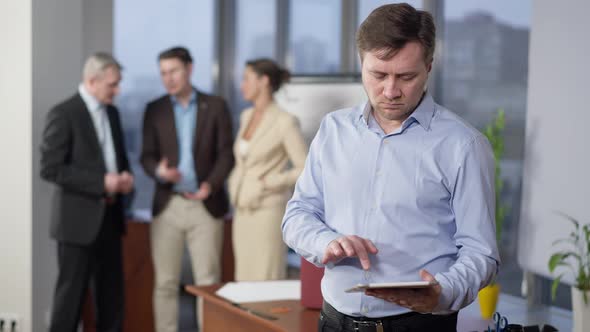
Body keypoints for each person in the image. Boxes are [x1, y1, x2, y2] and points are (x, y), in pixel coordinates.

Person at [282, 3, 500, 332]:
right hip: (333, 322)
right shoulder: (333, 130)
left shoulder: (464, 146)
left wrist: (444, 291)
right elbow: (297, 215)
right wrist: (325, 242)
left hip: (418, 326)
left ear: (428, 67)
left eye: (406, 76)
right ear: (361, 63)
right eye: (378, 74)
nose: (390, 91)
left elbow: (481, 253)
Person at [140, 46, 234, 332]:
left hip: (205, 205)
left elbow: (226, 154)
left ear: (189, 69)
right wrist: (160, 171)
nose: (168, 78)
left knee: (208, 280)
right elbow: (145, 156)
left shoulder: (215, 105)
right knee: (165, 282)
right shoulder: (154, 109)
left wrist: (210, 185)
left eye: (174, 71)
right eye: (163, 73)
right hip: (168, 204)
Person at [40, 52, 133, 332]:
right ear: (92, 81)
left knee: (112, 299)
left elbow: (117, 159)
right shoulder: (64, 113)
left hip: (110, 219)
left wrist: (125, 180)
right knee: (70, 300)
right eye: (112, 85)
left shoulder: (113, 113)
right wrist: (102, 183)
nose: (117, 91)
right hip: (76, 224)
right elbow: (50, 168)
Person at [229, 59, 307, 281]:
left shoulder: (285, 121)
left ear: (264, 81)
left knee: (265, 278)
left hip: (267, 210)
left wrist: (270, 182)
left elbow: (305, 168)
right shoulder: (246, 116)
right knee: (243, 279)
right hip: (242, 209)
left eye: (246, 79)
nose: (242, 85)